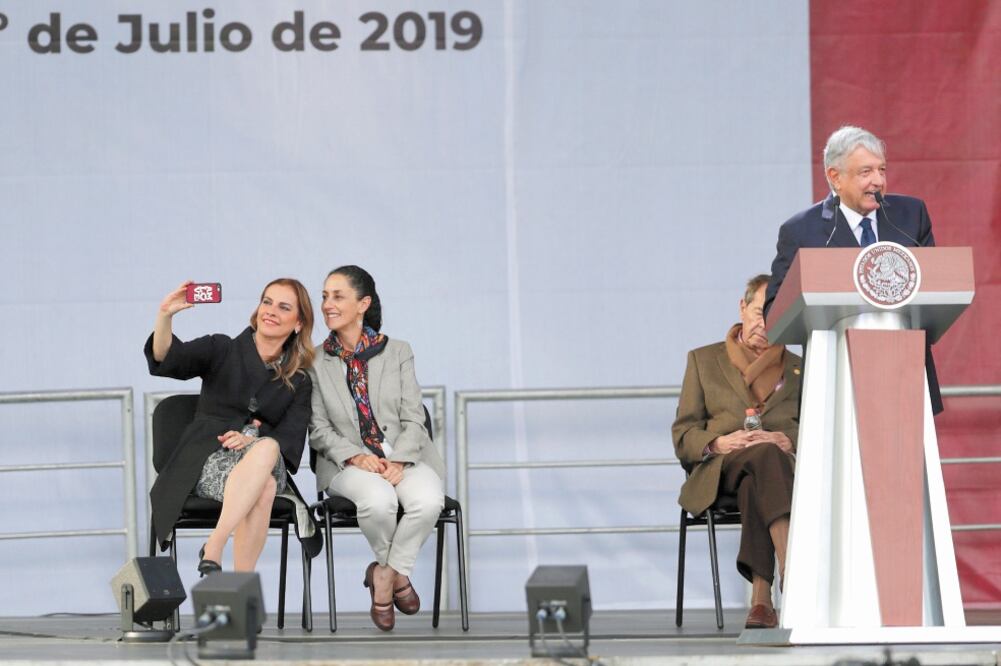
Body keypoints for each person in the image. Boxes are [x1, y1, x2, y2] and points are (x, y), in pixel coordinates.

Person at [763, 125, 941, 413]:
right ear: (835, 177)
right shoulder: (802, 231)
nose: (878, 181)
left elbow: (935, 290)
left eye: (881, 170)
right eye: (865, 172)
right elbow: (774, 312)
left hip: (905, 370)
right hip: (834, 376)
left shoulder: (911, 216)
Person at [145, 278, 318, 575]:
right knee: (264, 489)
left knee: (269, 447)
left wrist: (251, 440)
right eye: (267, 302)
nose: (271, 311)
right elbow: (167, 358)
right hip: (210, 459)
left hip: (263, 459)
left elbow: (290, 439)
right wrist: (165, 315)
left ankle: (214, 544)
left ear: (299, 323)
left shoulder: (300, 379)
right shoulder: (221, 348)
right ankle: (241, 585)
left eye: (284, 306)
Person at [308, 265, 445, 632]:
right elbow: (318, 429)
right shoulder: (314, 361)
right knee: (378, 501)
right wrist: (355, 456)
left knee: (429, 501)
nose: (327, 305)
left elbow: (415, 417)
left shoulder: (399, 351)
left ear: (362, 304)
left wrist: (399, 460)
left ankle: (383, 574)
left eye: (337, 296)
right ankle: (398, 578)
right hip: (346, 463)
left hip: (404, 456)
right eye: (324, 296)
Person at [672, 275, 801, 629]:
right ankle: (793, 572)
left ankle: (762, 601)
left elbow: (812, 428)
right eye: (759, 312)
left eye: (775, 314)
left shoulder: (799, 368)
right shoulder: (703, 361)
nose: (765, 323)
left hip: (774, 473)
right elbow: (683, 435)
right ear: (742, 308)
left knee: (763, 465)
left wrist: (789, 440)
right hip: (720, 469)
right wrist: (719, 443)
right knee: (761, 459)